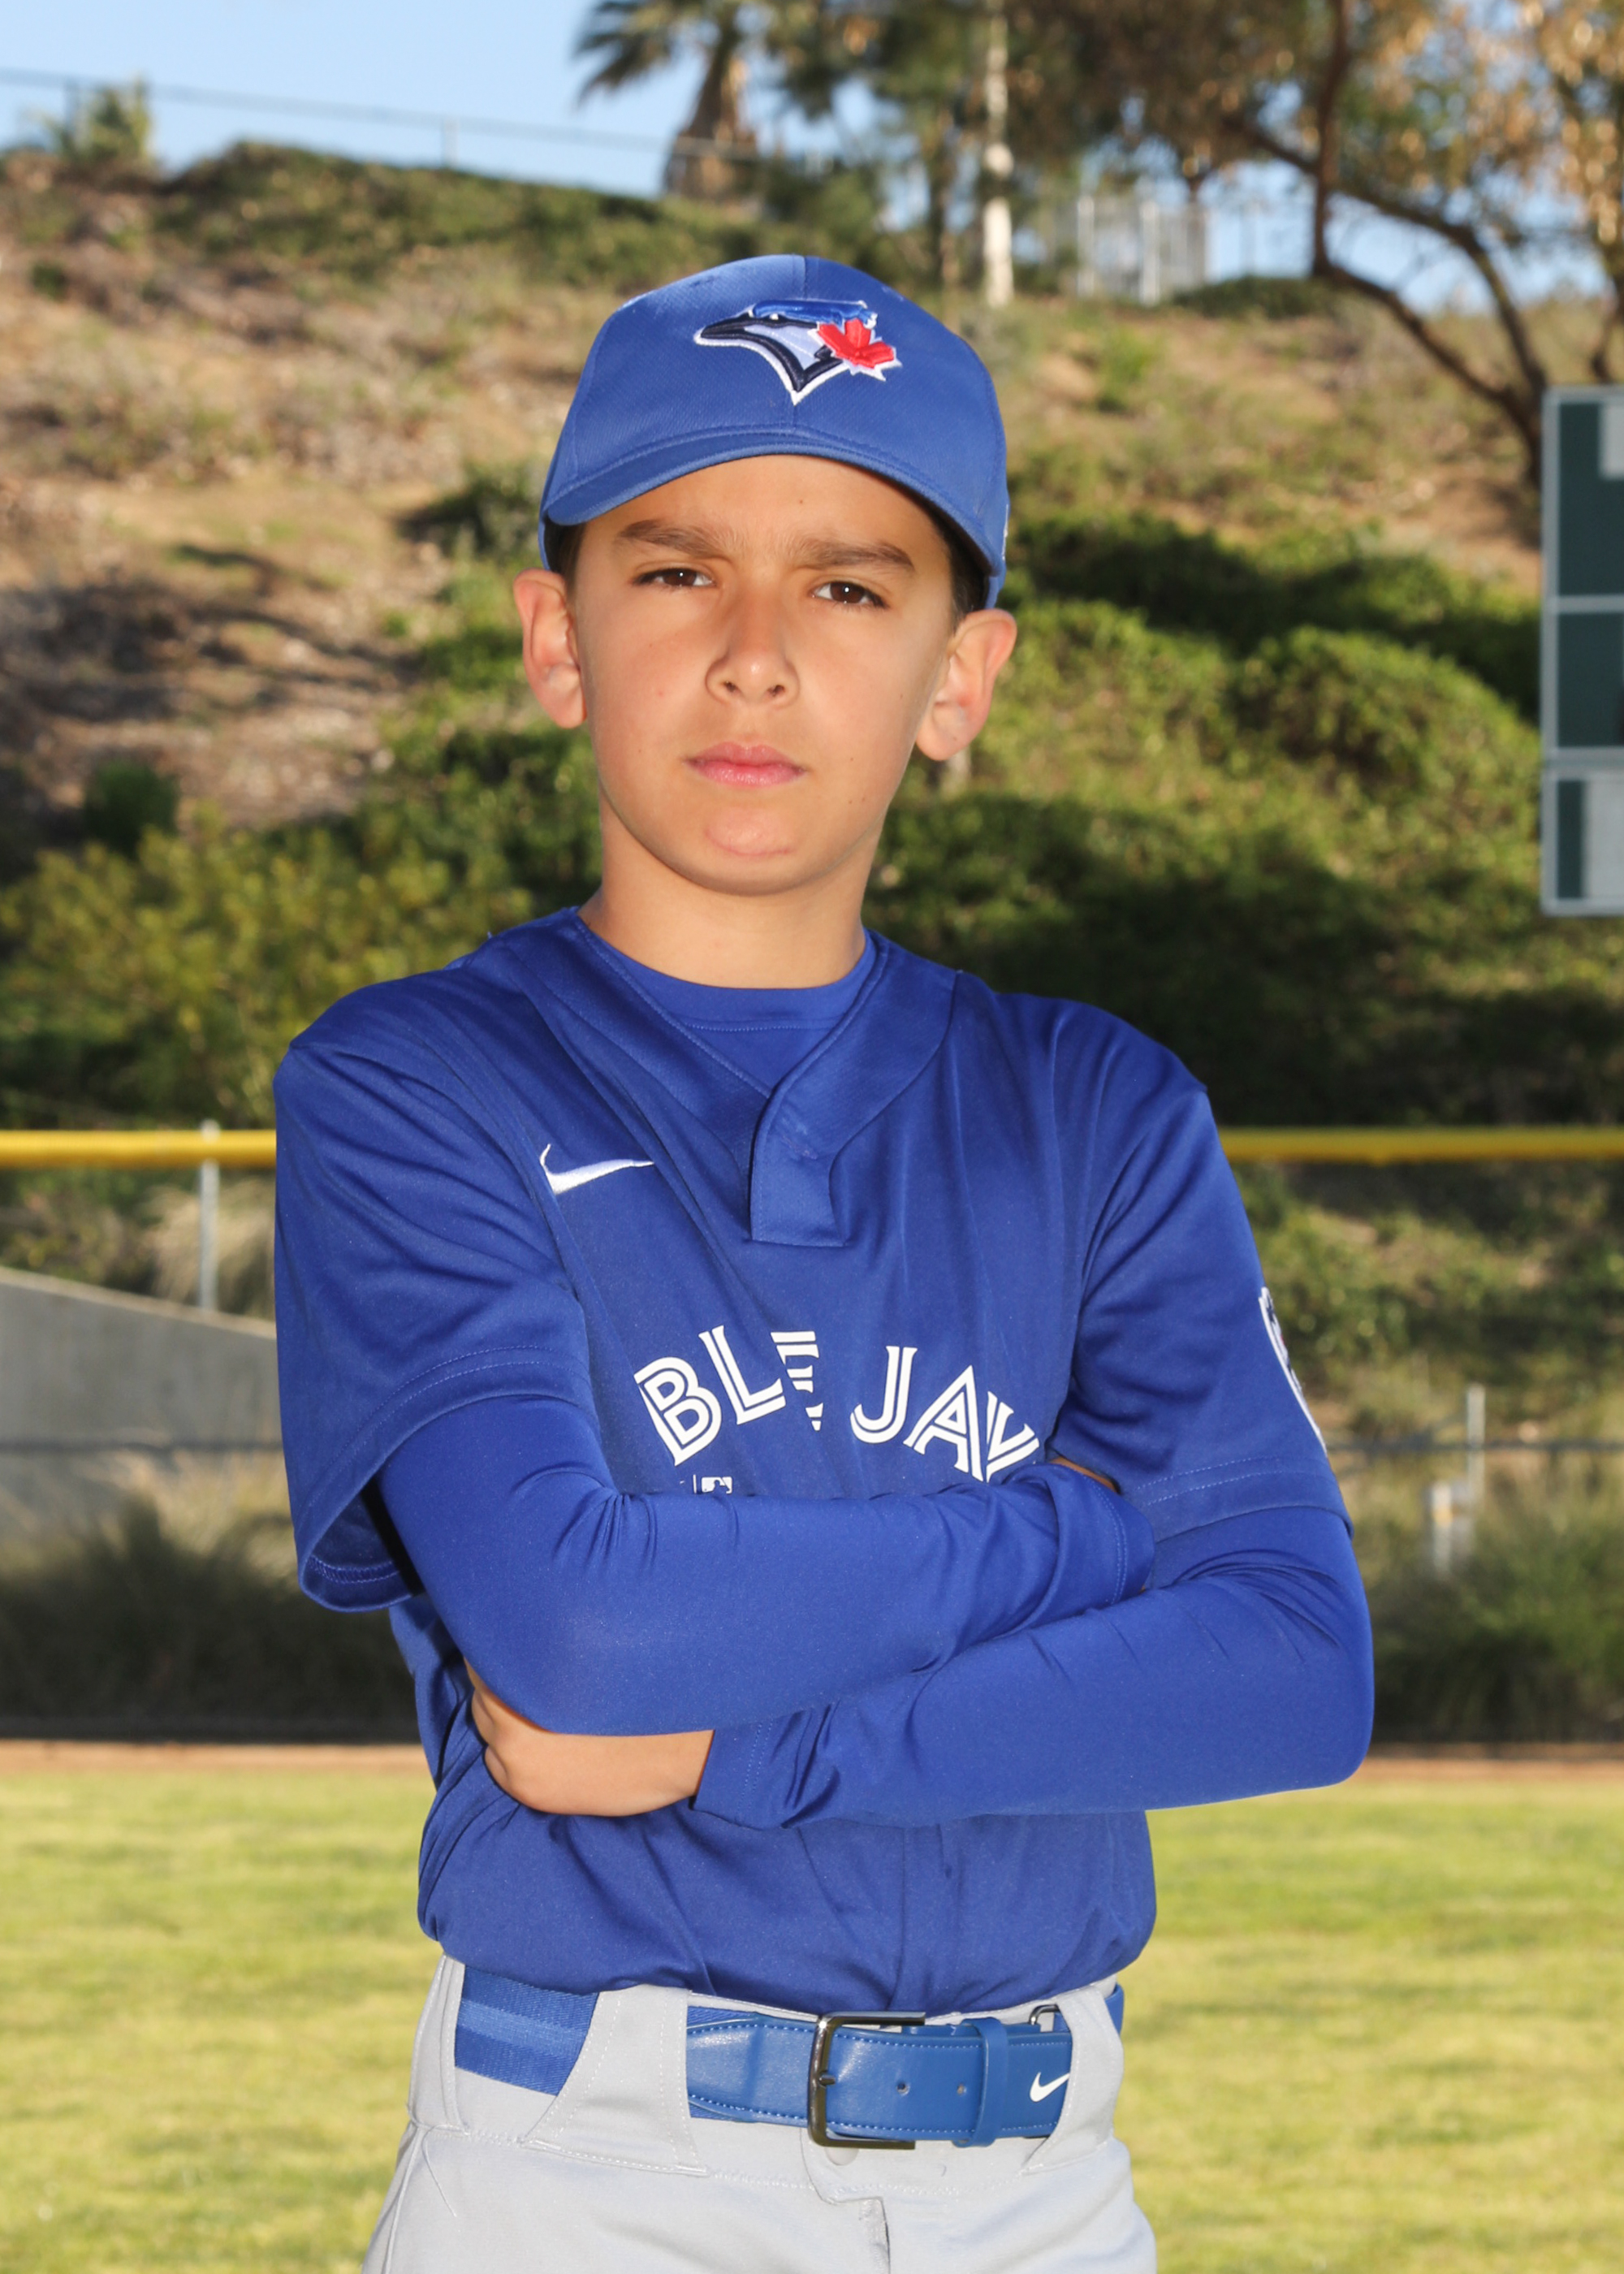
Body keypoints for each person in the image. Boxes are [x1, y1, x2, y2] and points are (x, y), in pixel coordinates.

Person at [274, 254, 1373, 2273]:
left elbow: (1295, 1664)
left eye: (852, 587)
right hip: (595, 2178)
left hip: (1046, 2189)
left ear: (961, 677)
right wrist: (1081, 1533)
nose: (756, 656)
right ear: (556, 638)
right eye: (677, 571)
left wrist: (742, 1747)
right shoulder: (416, 1080)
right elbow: (576, 1630)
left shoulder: (1096, 1106)